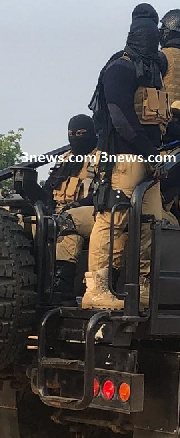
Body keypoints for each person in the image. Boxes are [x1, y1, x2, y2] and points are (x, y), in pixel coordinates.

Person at [84, 3, 168, 310]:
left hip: (148, 161)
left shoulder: (155, 70)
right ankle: (96, 289)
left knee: (151, 223)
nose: (149, 38)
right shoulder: (119, 68)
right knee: (112, 220)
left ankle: (143, 288)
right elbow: (120, 118)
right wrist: (151, 153)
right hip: (123, 160)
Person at [43, 114, 98, 305]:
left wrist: (76, 206)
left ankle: (62, 290)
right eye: (71, 133)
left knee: (68, 228)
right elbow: (47, 191)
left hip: (90, 213)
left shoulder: (101, 158)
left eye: (81, 133)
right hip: (57, 215)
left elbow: (104, 192)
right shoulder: (63, 161)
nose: (75, 137)